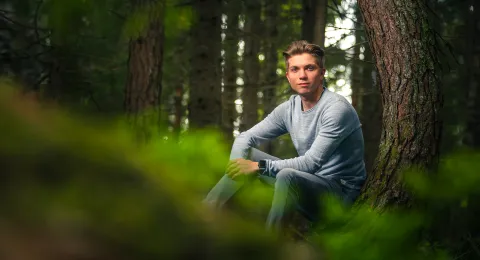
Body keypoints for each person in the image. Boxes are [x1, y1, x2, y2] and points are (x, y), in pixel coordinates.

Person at [203, 40, 366, 231]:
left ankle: (271, 244)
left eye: (310, 68)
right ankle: (203, 215)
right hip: (309, 181)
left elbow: (310, 163)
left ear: (322, 73)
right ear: (288, 76)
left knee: (285, 175)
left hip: (339, 193)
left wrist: (258, 167)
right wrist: (236, 167)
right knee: (247, 157)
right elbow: (245, 137)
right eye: (295, 70)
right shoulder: (289, 108)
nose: (302, 76)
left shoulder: (336, 109)